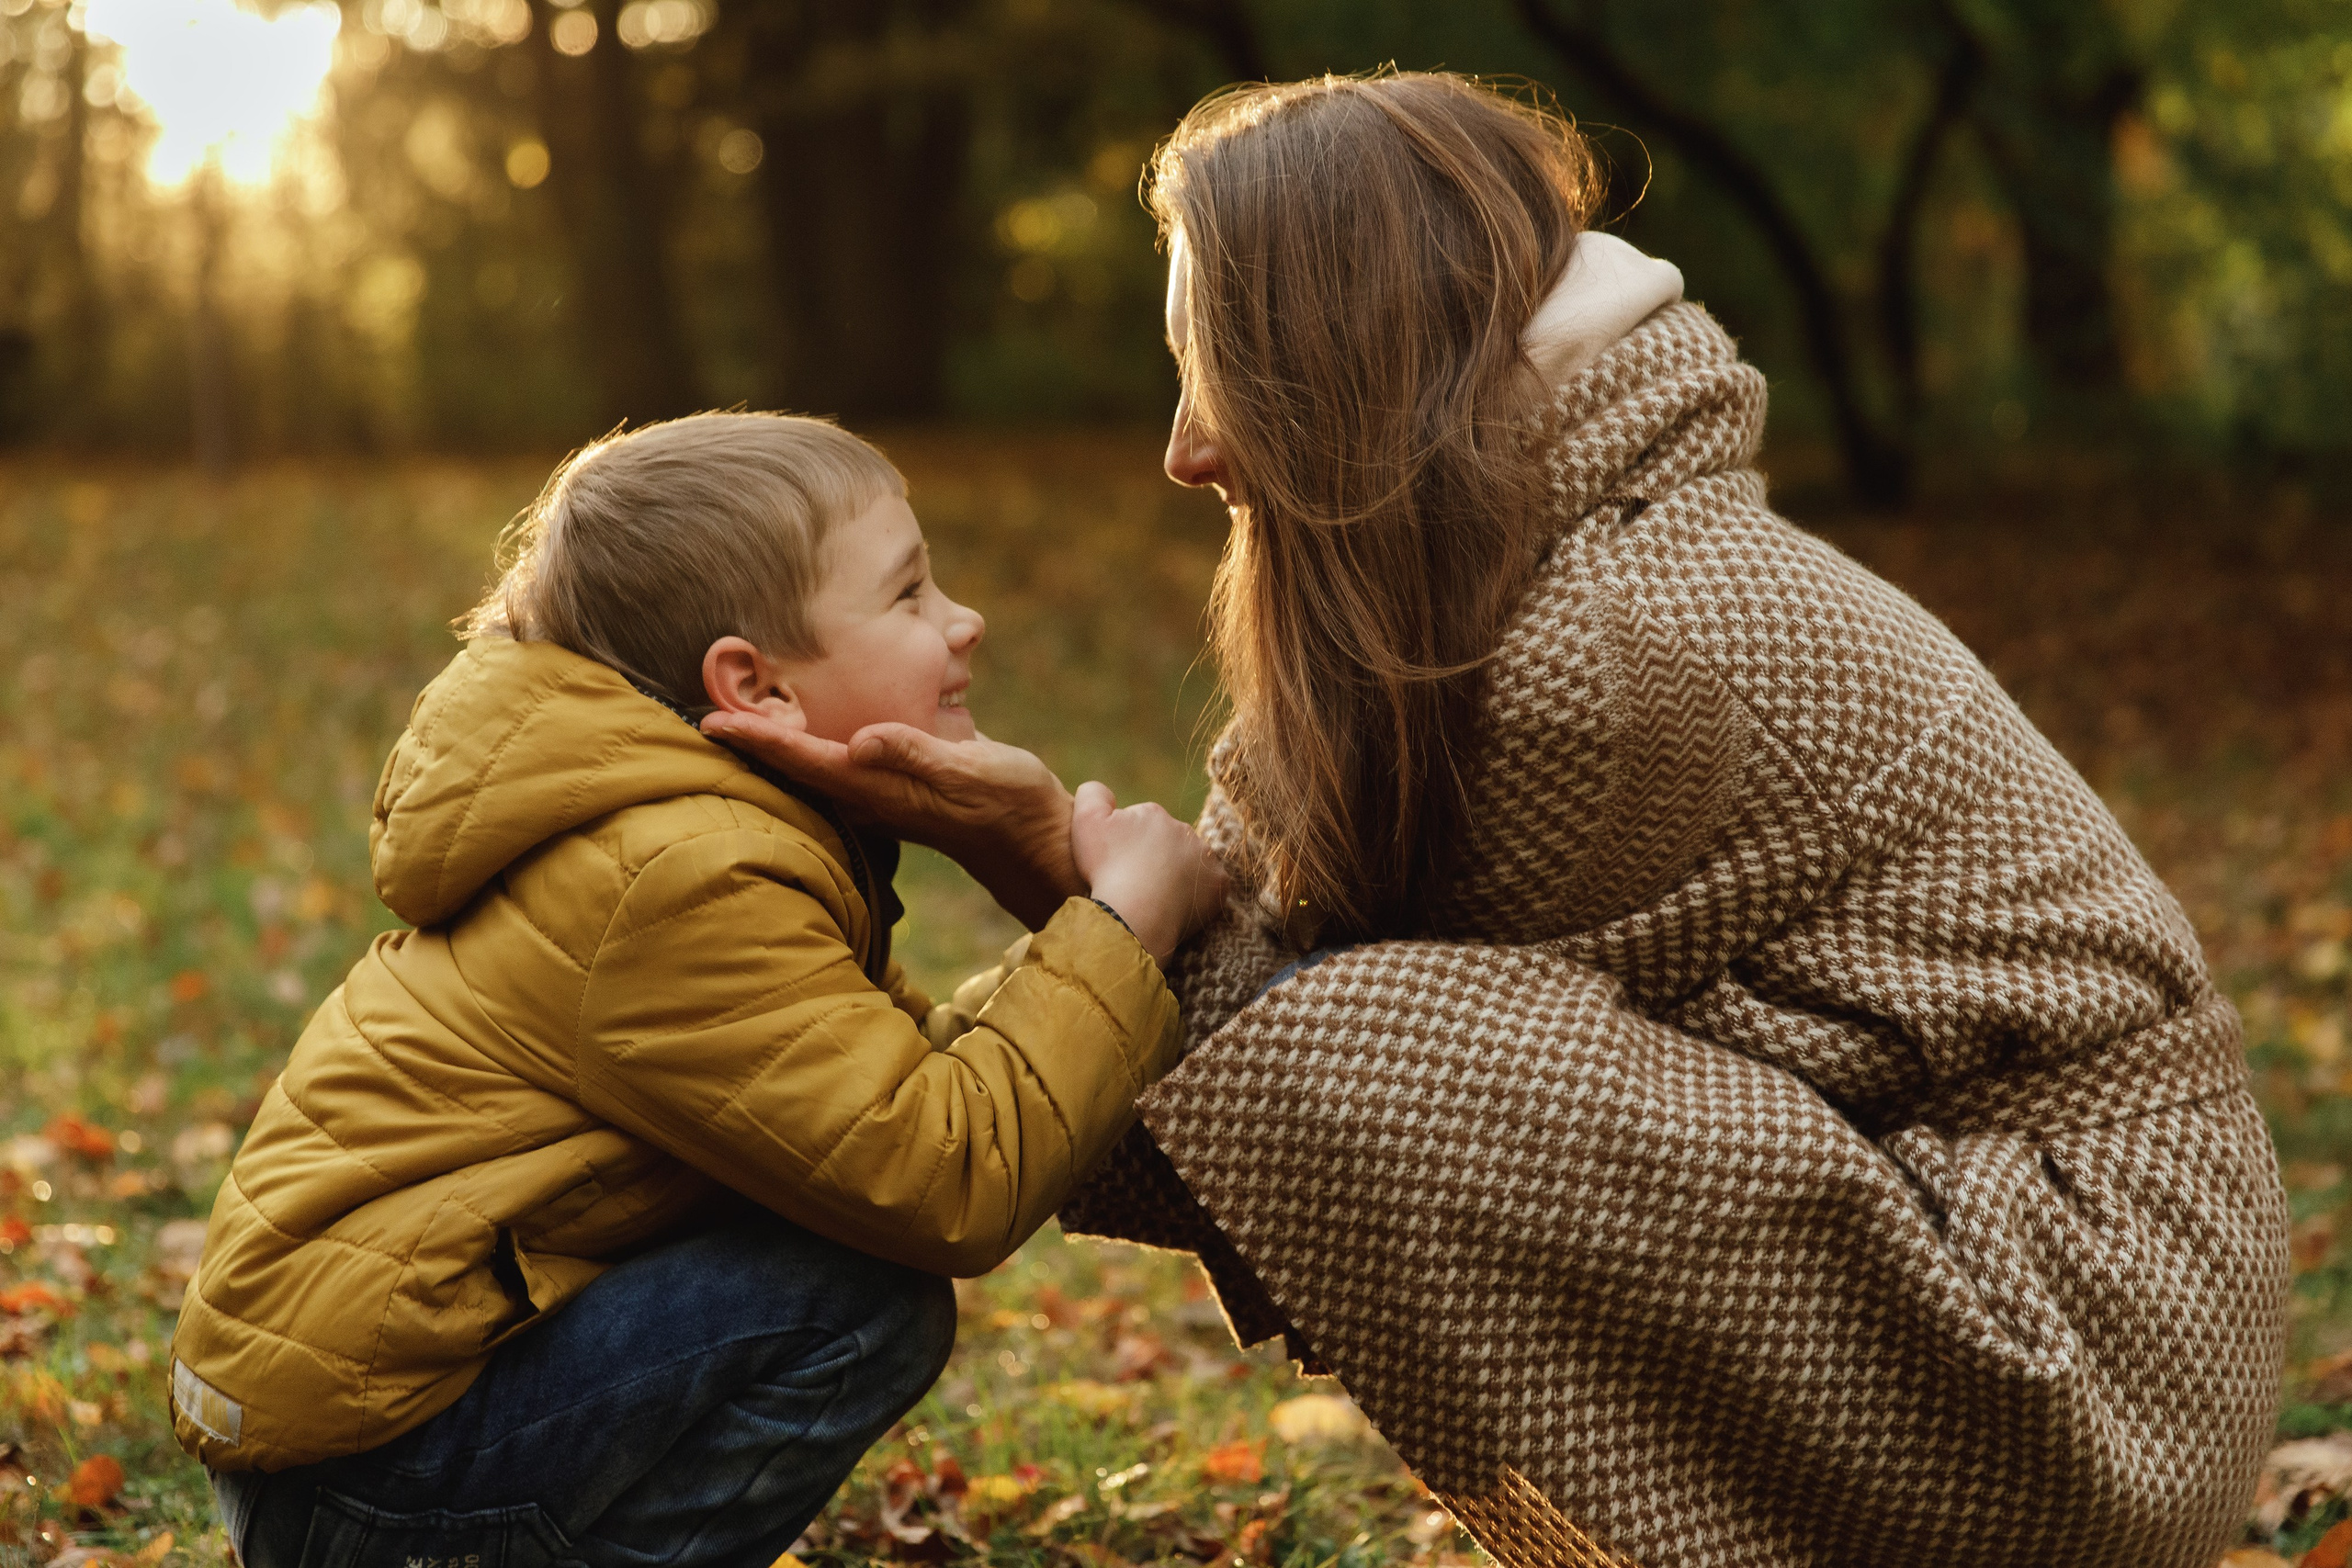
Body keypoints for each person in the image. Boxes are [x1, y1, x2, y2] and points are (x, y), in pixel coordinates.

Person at [711, 73, 2292, 1568]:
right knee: (1350, 1047)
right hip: (2019, 1284)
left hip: (2089, 1352)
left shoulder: (1614, 658)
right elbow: (1240, 994)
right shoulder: (1514, 581)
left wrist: (1027, 870)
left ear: (1337, 363)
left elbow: (1272, 1081)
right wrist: (1073, 898)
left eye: (1217, 366)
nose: (1185, 449)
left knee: (1365, 1052)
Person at [167, 412, 1227, 1568]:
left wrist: (1070, 904)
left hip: (362, 1440)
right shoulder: (677, 875)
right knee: (857, 1302)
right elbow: (945, 1178)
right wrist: (1120, 929)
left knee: (847, 1270)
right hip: (370, 1481)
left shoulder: (688, 823)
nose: (963, 620)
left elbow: (890, 1082)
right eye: (911, 594)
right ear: (753, 684)